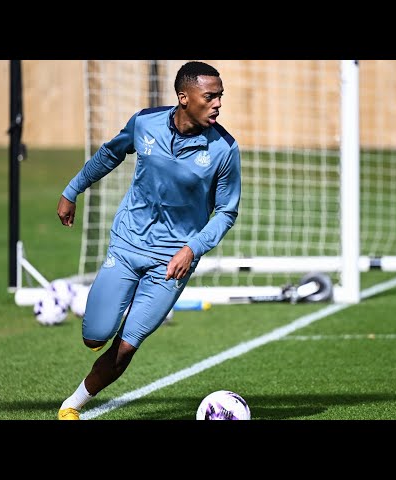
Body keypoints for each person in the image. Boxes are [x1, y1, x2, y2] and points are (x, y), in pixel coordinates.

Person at [56, 61, 242, 420]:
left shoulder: (224, 149)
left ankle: (72, 406)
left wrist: (192, 249)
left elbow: (226, 212)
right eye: (210, 96)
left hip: (173, 259)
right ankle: (114, 301)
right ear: (183, 97)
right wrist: (72, 189)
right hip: (128, 245)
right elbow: (111, 153)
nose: (218, 103)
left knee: (125, 347)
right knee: (94, 337)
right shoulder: (145, 123)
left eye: (220, 96)